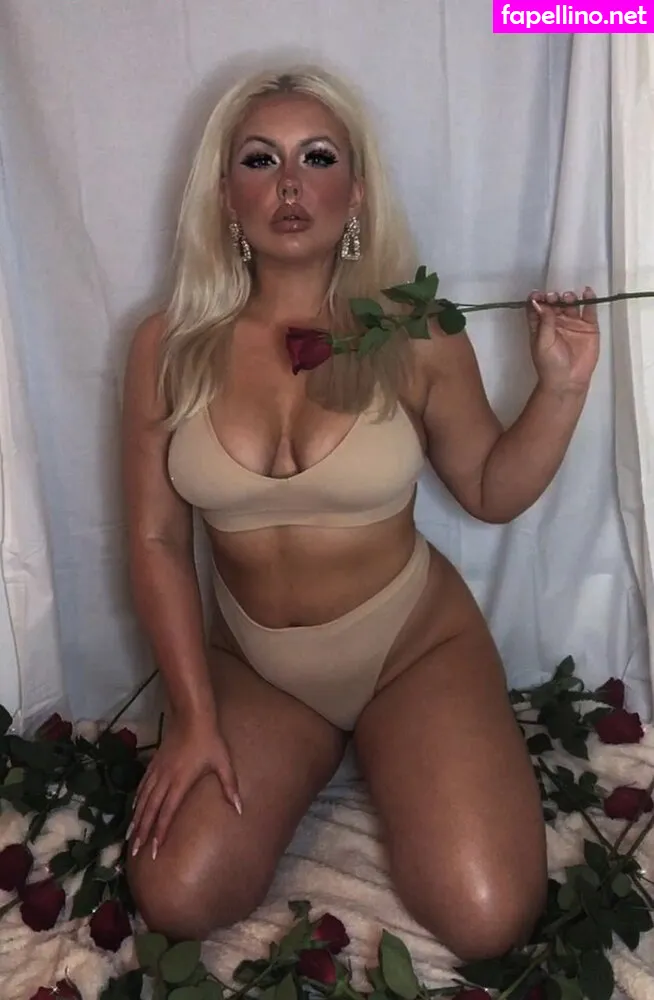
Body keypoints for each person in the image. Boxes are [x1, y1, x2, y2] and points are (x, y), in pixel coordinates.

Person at [121, 64, 600, 961]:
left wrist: (561, 390)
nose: (289, 184)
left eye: (317, 157)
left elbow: (490, 491)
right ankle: (311, 746)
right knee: (176, 895)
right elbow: (154, 538)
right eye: (260, 159)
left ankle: (393, 738)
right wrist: (193, 716)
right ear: (225, 194)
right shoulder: (170, 344)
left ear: (358, 191)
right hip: (256, 667)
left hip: (411, 650)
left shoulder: (415, 331)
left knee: (490, 916)